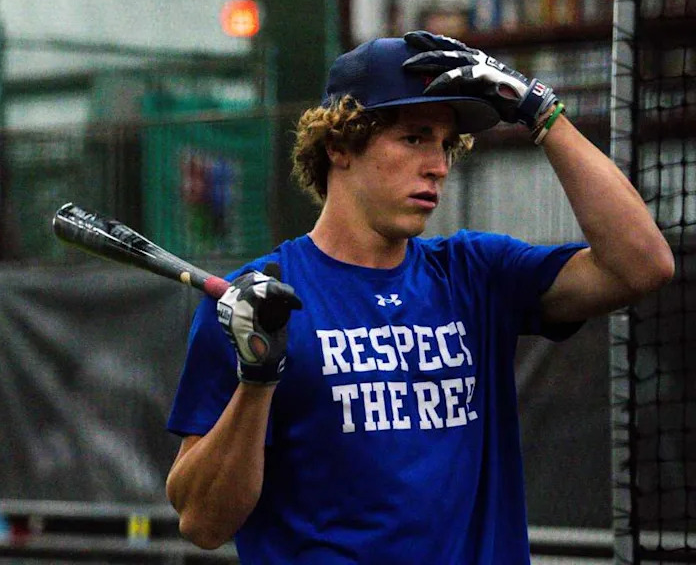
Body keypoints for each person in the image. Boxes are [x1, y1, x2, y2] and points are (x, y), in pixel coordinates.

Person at [164, 31, 674, 564]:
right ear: (338, 143)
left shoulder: (476, 276)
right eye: (414, 138)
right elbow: (202, 521)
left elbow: (642, 264)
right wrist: (258, 379)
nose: (439, 165)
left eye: (445, 144)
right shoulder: (257, 303)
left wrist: (543, 113)